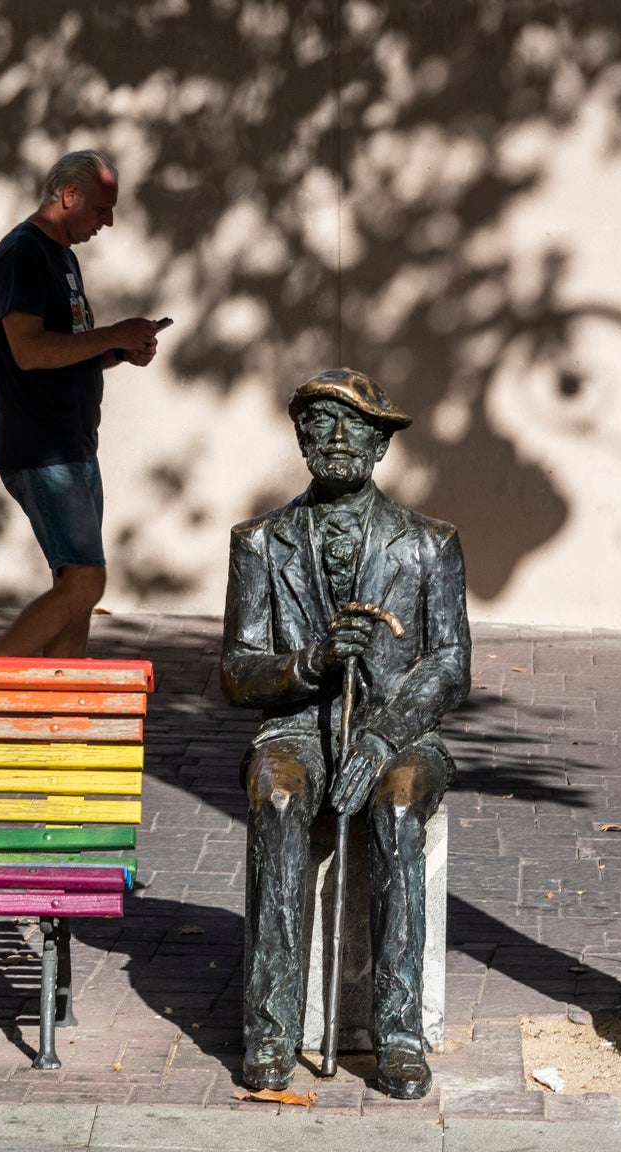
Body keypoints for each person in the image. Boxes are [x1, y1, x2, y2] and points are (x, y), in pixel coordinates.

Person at [220, 368, 470, 1100]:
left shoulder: (430, 545)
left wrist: (383, 734)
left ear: (380, 442)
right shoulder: (260, 543)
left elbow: (451, 664)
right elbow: (237, 671)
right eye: (319, 424)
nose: (335, 439)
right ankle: (271, 1025)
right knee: (280, 796)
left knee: (395, 808)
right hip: (297, 726)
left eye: (352, 426)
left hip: (399, 733)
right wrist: (309, 662)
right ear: (299, 439)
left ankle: (398, 1033)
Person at [0, 149, 163, 657]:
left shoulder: (62, 257)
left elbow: (66, 352)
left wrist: (117, 351)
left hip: (74, 447)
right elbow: (29, 351)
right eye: (103, 208)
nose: (108, 220)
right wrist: (111, 333)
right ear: (69, 195)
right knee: (85, 584)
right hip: (43, 450)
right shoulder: (24, 253)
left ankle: (60, 722)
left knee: (74, 590)